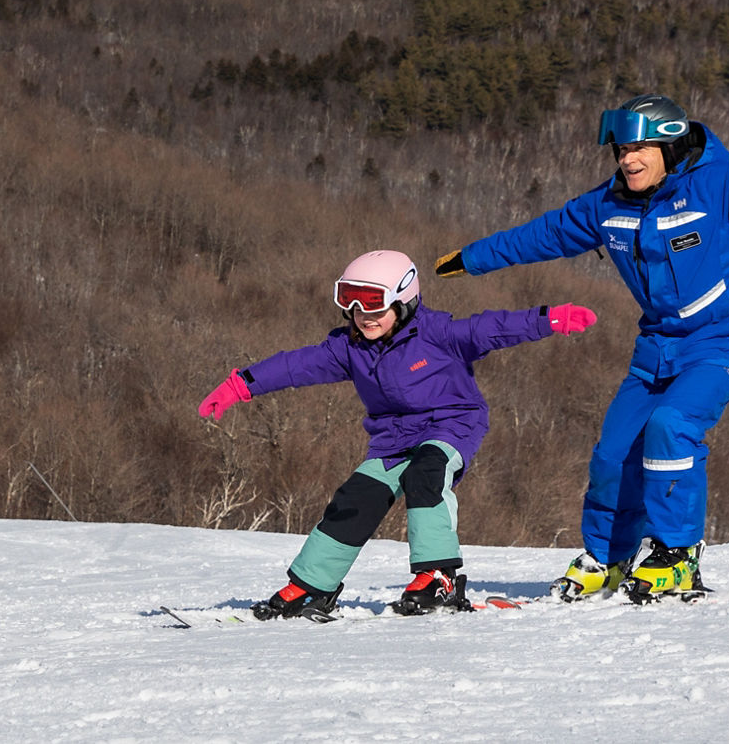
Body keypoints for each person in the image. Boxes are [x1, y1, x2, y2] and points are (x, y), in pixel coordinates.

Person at [433, 92, 729, 602]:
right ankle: (609, 557)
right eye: (620, 150)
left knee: (672, 427)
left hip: (724, 340)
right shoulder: (610, 204)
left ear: (670, 146)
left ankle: (677, 555)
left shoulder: (720, 188)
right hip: (658, 348)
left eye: (639, 149)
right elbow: (544, 234)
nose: (627, 159)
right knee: (613, 454)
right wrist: (472, 258)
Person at [197, 250, 599, 620]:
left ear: (403, 301)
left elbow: (493, 328)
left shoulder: (438, 334)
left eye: (373, 303)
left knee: (426, 473)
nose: (362, 314)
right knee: (355, 499)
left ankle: (438, 577)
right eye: (351, 302)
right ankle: (311, 587)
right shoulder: (349, 347)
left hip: (451, 425)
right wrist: (239, 385)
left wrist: (550, 318)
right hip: (393, 439)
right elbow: (294, 366)